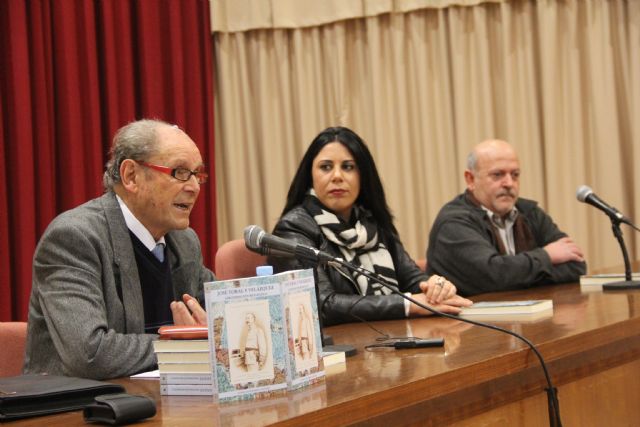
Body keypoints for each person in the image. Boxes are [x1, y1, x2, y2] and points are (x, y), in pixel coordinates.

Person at [23, 119, 213, 380]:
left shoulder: (184, 242)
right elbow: (89, 353)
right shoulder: (74, 238)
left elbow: (220, 318)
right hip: (81, 409)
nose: (193, 187)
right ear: (131, 176)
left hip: (166, 399)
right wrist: (179, 346)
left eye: (197, 174)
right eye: (179, 172)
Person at [269, 126, 472, 326]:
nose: (337, 176)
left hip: (389, 337)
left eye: (348, 167)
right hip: (339, 351)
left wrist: (435, 287)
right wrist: (406, 305)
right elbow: (321, 305)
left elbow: (411, 278)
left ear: (363, 176)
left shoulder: (371, 223)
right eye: (326, 167)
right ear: (310, 176)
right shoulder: (292, 229)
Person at [426, 139, 586, 296]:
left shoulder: (530, 212)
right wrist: (547, 256)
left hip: (528, 315)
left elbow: (576, 265)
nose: (509, 183)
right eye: (497, 175)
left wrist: (516, 275)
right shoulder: (454, 223)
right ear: (471, 179)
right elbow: (493, 276)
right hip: (468, 321)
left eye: (515, 175)